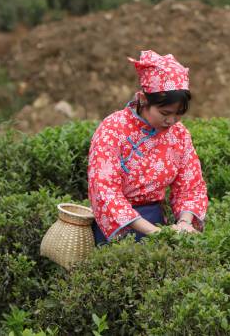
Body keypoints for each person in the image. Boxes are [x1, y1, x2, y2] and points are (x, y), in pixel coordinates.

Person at [87, 50, 208, 244]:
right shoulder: (113, 129)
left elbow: (190, 186)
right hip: (118, 227)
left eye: (178, 114)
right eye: (165, 113)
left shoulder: (179, 134)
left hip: (156, 218)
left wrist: (185, 223)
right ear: (143, 99)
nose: (171, 121)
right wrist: (154, 233)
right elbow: (105, 191)